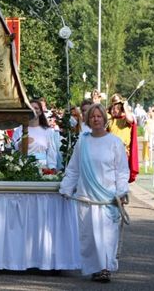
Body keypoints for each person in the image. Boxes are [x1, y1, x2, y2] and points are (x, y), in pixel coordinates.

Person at [59, 104, 129, 283]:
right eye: (93, 116)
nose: (96, 119)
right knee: (89, 235)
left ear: (104, 119)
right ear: (88, 120)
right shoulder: (83, 141)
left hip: (108, 198)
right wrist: (66, 188)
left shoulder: (114, 142)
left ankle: (105, 268)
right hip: (86, 196)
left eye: (99, 116)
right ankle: (94, 268)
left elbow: (121, 171)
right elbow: (73, 168)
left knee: (107, 234)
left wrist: (121, 192)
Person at [12, 99, 57, 169]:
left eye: (36, 108)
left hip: (42, 167)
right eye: (30, 108)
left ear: (40, 112)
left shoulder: (48, 131)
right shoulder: (18, 130)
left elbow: (51, 152)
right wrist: (21, 143)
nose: (33, 110)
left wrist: (52, 168)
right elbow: (13, 150)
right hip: (22, 167)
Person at [107, 94, 139, 183]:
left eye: (116, 107)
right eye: (112, 107)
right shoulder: (110, 120)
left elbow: (130, 119)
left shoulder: (127, 118)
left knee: (120, 179)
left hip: (123, 153)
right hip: (111, 153)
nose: (113, 110)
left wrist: (125, 106)